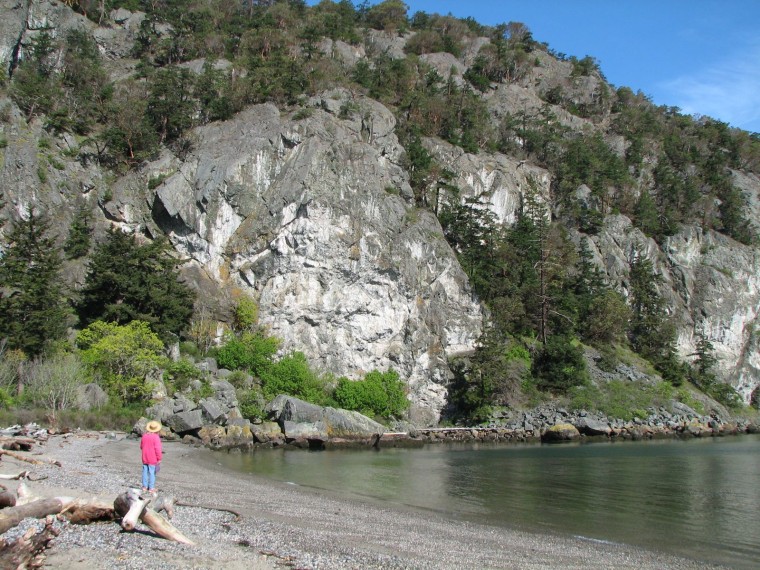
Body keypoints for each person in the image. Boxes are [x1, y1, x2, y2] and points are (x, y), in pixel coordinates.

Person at [140, 420, 163, 496]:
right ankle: (151, 488)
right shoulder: (156, 437)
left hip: (144, 457)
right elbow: (158, 449)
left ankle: (144, 487)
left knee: (145, 472)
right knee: (152, 473)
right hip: (152, 458)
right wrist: (159, 458)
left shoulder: (144, 436)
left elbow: (141, 446)